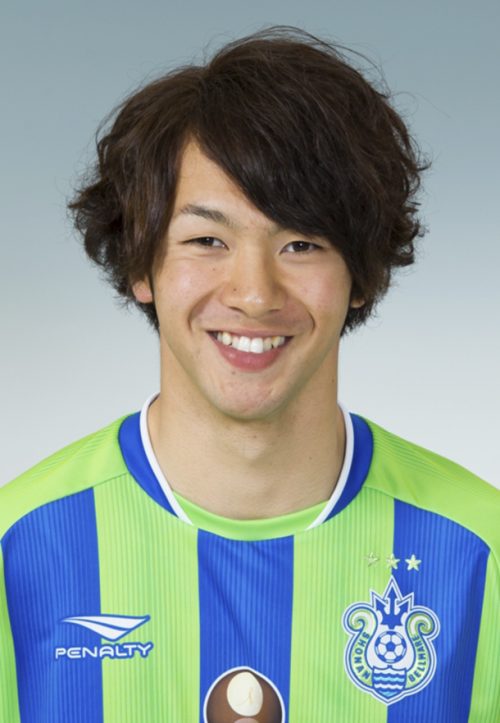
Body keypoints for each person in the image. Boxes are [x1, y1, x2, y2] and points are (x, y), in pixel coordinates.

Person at [1, 26, 498, 723]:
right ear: (142, 264)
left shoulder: (480, 550)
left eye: (301, 243)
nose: (255, 294)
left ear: (361, 275)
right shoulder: (19, 547)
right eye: (207, 239)